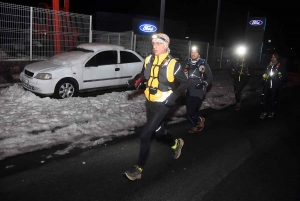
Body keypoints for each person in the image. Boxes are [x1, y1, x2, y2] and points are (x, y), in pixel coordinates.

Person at [124, 33, 188, 181]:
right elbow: (144, 75)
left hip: (164, 103)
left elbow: (185, 83)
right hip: (150, 101)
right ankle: (176, 143)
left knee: (145, 134)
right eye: (153, 43)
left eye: (158, 44)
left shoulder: (173, 64)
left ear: (165, 46)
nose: (154, 46)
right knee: (159, 132)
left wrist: (173, 97)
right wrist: (135, 81)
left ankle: (138, 168)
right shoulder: (148, 59)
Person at [184, 46, 213, 133]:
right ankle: (197, 123)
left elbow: (210, 77)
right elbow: (184, 77)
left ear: (199, 54)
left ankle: (198, 122)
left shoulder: (203, 64)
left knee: (192, 111)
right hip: (189, 91)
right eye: (192, 52)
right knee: (189, 113)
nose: (193, 54)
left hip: (199, 91)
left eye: (195, 52)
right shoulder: (188, 65)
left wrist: (204, 83)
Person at [259, 53, 285, 119]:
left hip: (275, 86)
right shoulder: (268, 65)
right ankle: (264, 112)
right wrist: (263, 78)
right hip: (267, 85)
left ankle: (272, 111)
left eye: (274, 57)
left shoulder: (280, 66)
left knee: (272, 100)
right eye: (272, 57)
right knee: (263, 99)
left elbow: (284, 75)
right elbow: (265, 73)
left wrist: (278, 78)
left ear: (277, 58)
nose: (273, 58)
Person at [230, 46, 253, 111]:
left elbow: (251, 70)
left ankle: (238, 103)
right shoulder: (236, 61)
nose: (241, 55)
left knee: (237, 91)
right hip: (236, 78)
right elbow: (231, 68)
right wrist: (232, 73)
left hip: (243, 79)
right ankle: (238, 100)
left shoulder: (248, 61)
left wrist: (246, 73)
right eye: (240, 54)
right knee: (235, 92)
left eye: (242, 54)